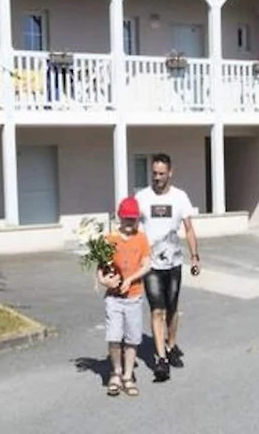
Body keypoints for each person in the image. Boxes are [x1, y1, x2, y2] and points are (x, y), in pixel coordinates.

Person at [134, 153, 199, 382]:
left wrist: (195, 257)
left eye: (162, 173)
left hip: (173, 263)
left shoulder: (180, 197)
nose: (157, 177)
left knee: (171, 309)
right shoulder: (142, 197)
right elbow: (132, 226)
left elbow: (189, 229)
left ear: (170, 172)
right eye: (154, 173)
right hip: (150, 264)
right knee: (157, 310)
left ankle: (171, 346)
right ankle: (161, 360)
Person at [97, 196, 151, 398]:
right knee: (113, 337)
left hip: (134, 297)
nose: (130, 222)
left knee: (132, 338)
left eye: (133, 219)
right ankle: (116, 373)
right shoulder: (110, 239)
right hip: (114, 298)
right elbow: (100, 269)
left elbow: (147, 265)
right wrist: (105, 281)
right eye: (127, 218)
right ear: (119, 216)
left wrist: (132, 279)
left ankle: (128, 376)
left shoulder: (141, 238)